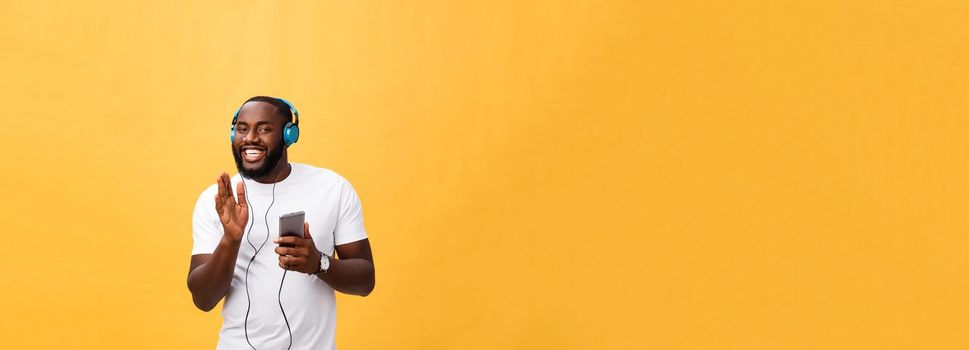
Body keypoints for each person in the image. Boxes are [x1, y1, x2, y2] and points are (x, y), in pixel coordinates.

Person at [187, 96, 375, 350]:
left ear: (289, 135)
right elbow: (203, 298)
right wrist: (230, 240)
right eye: (242, 128)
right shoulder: (218, 199)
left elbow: (365, 281)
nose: (250, 138)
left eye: (264, 129)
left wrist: (318, 263)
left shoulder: (333, 188)